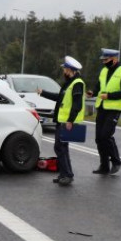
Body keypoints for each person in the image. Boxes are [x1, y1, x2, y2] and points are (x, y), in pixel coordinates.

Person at [37, 56, 86, 185]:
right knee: (61, 147)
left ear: (70, 70)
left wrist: (70, 120)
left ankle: (67, 175)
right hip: (61, 120)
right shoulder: (69, 83)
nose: (63, 71)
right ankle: (64, 174)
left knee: (61, 147)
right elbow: (59, 98)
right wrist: (43, 93)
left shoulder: (77, 83)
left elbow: (77, 104)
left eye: (65, 69)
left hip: (67, 122)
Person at [87, 47, 121, 175]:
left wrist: (109, 96)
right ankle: (104, 166)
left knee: (106, 136)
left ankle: (116, 161)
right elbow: (99, 86)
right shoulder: (104, 71)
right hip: (102, 107)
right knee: (99, 138)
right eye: (103, 60)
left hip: (114, 108)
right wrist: (93, 92)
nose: (104, 62)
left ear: (114, 59)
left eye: (106, 60)